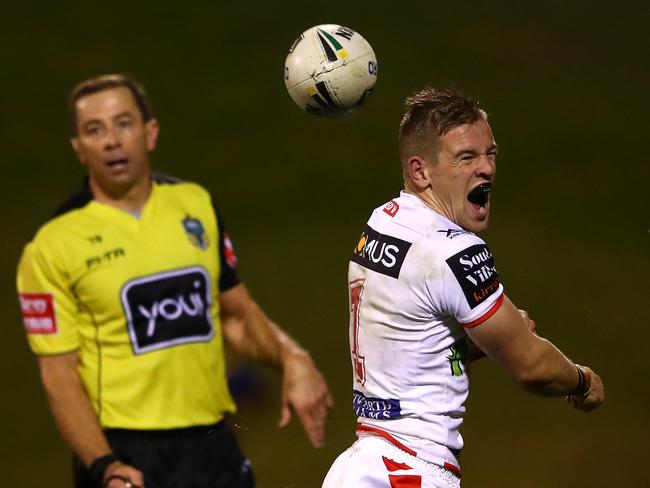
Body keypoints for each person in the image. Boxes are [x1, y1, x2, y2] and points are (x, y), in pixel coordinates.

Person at [16, 74, 333, 488]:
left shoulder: (194, 205)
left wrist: (292, 357)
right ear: (79, 149)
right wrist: (104, 465)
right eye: (95, 130)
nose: (112, 139)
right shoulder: (52, 246)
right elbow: (59, 376)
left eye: (123, 123)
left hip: (213, 444)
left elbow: (235, 316)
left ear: (150, 133)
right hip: (125, 457)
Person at [322, 87, 604, 488]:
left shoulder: (382, 223)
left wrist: (467, 342)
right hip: (408, 471)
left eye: (491, 154)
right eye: (466, 157)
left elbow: (406, 336)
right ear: (421, 172)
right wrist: (581, 380)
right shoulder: (456, 253)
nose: (486, 168)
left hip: (361, 466)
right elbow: (533, 368)